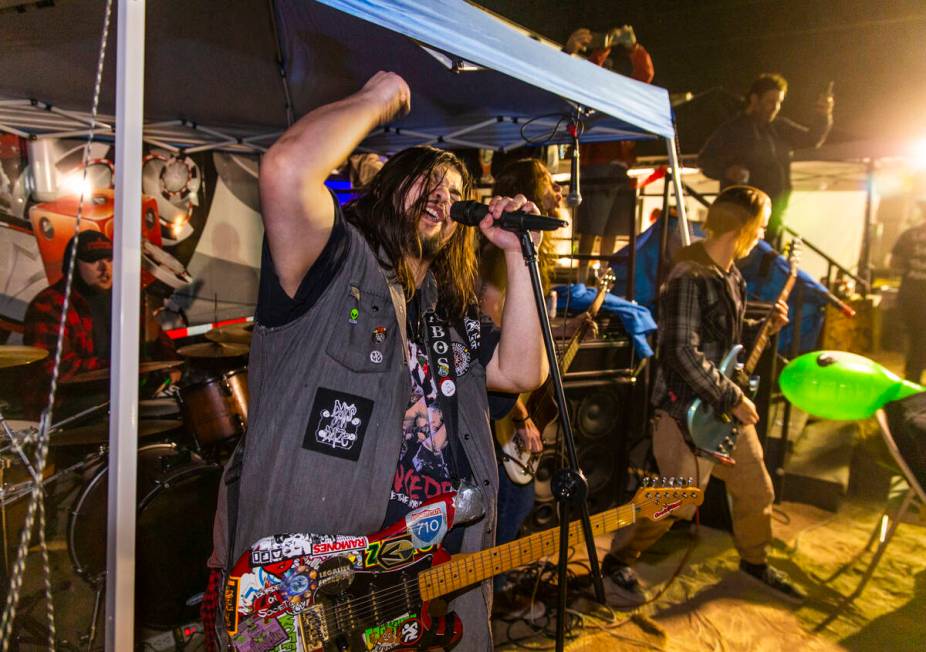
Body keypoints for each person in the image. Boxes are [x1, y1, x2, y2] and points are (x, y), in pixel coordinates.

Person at [207, 72, 548, 649]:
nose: (443, 194)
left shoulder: (447, 315)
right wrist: (374, 100)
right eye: (426, 181)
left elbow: (521, 371)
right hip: (315, 580)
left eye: (453, 187)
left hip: (412, 581)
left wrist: (520, 257)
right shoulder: (334, 265)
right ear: (389, 189)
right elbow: (287, 171)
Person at [602, 185, 805, 607]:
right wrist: (731, 397)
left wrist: (764, 326)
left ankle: (755, 561)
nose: (763, 236)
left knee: (757, 491)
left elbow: (723, 345)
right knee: (672, 503)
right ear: (745, 227)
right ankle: (618, 558)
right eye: (761, 227)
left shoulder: (731, 274)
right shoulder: (688, 274)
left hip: (722, 412)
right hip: (685, 414)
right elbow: (679, 349)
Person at [21, 231, 175, 417]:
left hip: (113, 397)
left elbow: (155, 338)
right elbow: (57, 369)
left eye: (109, 260)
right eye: (94, 261)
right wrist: (118, 365)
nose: (105, 268)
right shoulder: (49, 304)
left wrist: (171, 366)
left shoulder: (123, 298)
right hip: (65, 408)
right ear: (73, 264)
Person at [563, 25, 654, 283]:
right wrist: (605, 46)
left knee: (613, 227)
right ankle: (581, 278)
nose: (610, 75)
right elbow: (590, 72)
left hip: (619, 166)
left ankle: (603, 276)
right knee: (593, 226)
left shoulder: (623, 94)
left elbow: (645, 74)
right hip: (597, 165)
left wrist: (633, 47)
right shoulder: (592, 91)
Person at [698, 73, 834, 245]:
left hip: (773, 217)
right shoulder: (733, 129)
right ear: (754, 100)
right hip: (742, 218)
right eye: (770, 101)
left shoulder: (780, 127)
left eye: (779, 102)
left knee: (766, 265)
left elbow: (812, 139)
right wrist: (727, 170)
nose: (775, 107)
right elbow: (705, 160)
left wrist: (823, 115)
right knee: (743, 264)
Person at [890, 202, 926, 383]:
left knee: (913, 336)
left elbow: (893, 263)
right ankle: (915, 373)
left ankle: (912, 375)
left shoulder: (909, 235)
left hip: (910, 292)